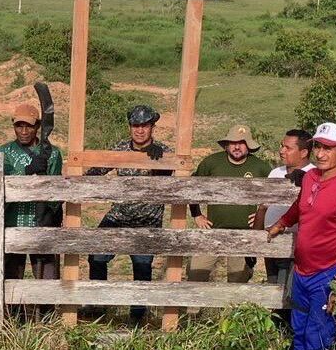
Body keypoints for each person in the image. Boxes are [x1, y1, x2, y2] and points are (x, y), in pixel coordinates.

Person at [268, 123, 336, 350]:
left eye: (328, 148)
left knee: (318, 337)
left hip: (327, 275)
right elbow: (300, 206)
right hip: (302, 271)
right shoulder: (311, 177)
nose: (320, 154)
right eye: (318, 147)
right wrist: (282, 222)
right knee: (298, 330)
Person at [86, 105, 173, 323]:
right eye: (136, 126)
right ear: (130, 127)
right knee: (96, 255)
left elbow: (171, 177)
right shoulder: (120, 148)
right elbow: (98, 170)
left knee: (142, 266)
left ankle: (138, 315)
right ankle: (98, 305)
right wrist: (82, 177)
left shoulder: (163, 151)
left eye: (145, 126)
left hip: (148, 220)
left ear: (152, 127)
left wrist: (160, 163)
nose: (140, 130)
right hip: (119, 215)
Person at [0, 103, 63, 318]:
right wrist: (24, 171)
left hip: (41, 223)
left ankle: (47, 320)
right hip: (12, 222)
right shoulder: (3, 153)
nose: (24, 131)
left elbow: (56, 193)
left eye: (29, 126)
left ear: (38, 127)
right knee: (12, 275)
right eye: (19, 126)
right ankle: (12, 320)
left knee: (46, 275)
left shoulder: (52, 154)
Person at [187, 124, 271, 284]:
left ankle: (233, 309)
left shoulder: (260, 167)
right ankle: (193, 309)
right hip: (213, 230)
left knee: (238, 278)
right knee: (196, 272)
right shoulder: (211, 163)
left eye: (242, 142)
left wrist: (263, 215)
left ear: (249, 146)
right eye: (233, 142)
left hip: (244, 233)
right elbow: (192, 186)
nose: (237, 146)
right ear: (226, 145)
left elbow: (276, 193)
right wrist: (196, 214)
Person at [252, 129, 315, 284]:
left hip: (292, 244)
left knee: (285, 292)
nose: (281, 151)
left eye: (288, 148)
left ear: (303, 152)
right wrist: (255, 237)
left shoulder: (313, 174)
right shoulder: (275, 172)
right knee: (273, 286)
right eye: (282, 146)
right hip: (270, 241)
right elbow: (263, 206)